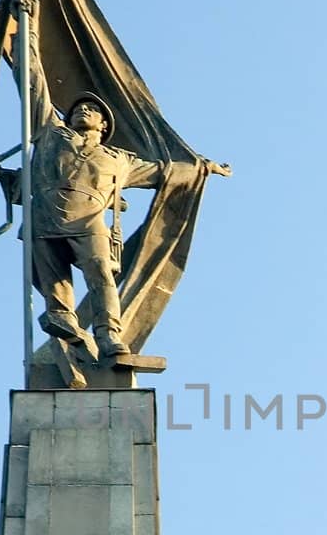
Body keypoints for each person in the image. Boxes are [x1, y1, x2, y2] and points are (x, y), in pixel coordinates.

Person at [27, 85, 231, 362]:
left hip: (88, 219)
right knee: (54, 279)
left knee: (101, 272)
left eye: (92, 109)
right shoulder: (51, 134)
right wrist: (25, 44)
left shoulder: (119, 160)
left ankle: (108, 334)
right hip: (45, 216)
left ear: (104, 125)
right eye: (77, 109)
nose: (83, 110)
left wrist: (203, 168)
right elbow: (35, 86)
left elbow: (163, 172)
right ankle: (62, 316)